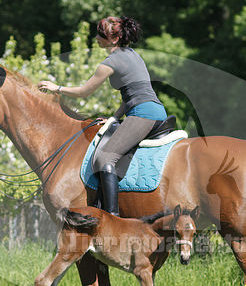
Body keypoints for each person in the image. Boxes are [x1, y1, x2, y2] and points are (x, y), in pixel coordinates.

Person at [38, 16, 167, 216]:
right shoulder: (133, 55)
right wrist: (115, 118)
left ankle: (111, 217)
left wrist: (57, 88)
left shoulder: (110, 62)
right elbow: (130, 95)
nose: (96, 37)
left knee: (105, 157)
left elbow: (83, 91)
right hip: (156, 110)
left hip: (143, 114)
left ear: (113, 40)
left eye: (101, 34)